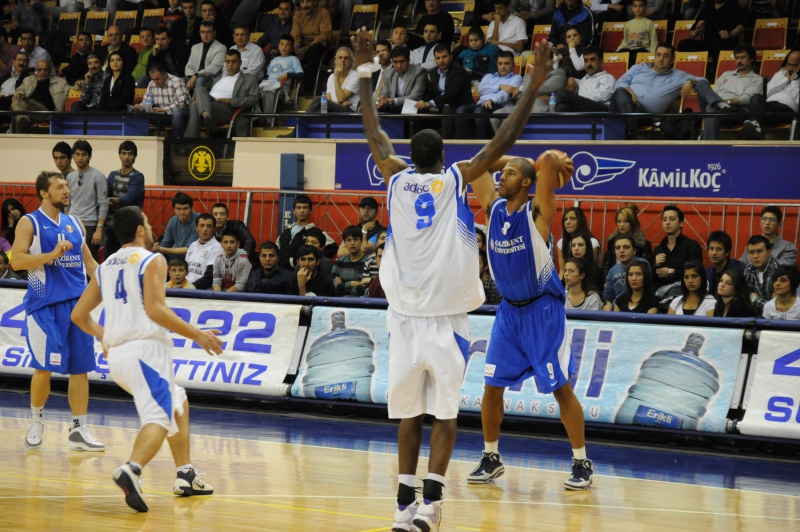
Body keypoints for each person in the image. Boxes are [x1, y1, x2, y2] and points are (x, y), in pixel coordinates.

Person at [355, 26, 558, 528]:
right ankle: (433, 506)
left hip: (403, 317)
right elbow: (505, 140)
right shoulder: (454, 180)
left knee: (408, 416)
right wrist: (532, 85)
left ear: (407, 159)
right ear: (443, 158)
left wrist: (364, 70)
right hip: (446, 320)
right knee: (444, 415)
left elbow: (373, 127)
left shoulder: (393, 177)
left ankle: (403, 509)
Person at [70, 206, 220, 513]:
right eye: (149, 224)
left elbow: (79, 315)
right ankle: (132, 469)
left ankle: (185, 474)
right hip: (145, 351)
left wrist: (104, 336)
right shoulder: (153, 259)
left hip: (119, 357)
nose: (152, 229)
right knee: (158, 416)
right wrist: (197, 334)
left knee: (178, 401)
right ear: (140, 229)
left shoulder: (107, 265)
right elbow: (155, 310)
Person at [470, 141, 594, 497]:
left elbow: (551, 163)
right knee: (491, 387)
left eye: (509, 174)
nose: (500, 175)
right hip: (509, 312)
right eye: (502, 173)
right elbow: (476, 162)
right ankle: (491, 456)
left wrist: (545, 164)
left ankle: (581, 461)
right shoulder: (493, 211)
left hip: (542, 310)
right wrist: (518, 161)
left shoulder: (537, 213)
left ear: (526, 183)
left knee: (560, 388)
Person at [10, 171, 104, 452]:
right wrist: (52, 255)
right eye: (59, 187)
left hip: (78, 307)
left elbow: (88, 263)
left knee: (81, 369)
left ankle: (78, 428)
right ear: (43, 193)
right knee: (44, 369)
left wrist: (112, 284)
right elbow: (16, 261)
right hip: (45, 307)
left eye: (66, 186)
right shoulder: (30, 222)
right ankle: (36, 420)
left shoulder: (76, 223)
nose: (66, 190)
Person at [609, 43, 703, 134]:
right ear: (654, 57)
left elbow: (703, 80)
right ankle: (632, 126)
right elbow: (620, 82)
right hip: (626, 106)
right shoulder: (638, 68)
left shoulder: (678, 76)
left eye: (665, 56)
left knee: (615, 105)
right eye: (658, 55)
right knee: (620, 91)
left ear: (672, 60)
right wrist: (630, 92)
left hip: (646, 115)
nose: (661, 59)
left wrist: (690, 81)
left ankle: (629, 127)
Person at [185, 49, 260, 138]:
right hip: (210, 103)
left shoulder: (249, 78)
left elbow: (254, 99)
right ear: (225, 63)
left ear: (240, 62)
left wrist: (231, 101)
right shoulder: (218, 78)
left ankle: (188, 144)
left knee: (194, 105)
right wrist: (201, 97)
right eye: (228, 62)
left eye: (234, 61)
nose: (230, 65)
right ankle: (206, 115)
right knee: (199, 89)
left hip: (226, 108)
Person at [693, 44, 761, 141]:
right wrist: (720, 103)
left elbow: (746, 99)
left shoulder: (757, 79)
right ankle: (721, 105)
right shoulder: (726, 74)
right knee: (700, 83)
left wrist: (726, 102)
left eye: (743, 57)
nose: (739, 61)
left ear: (751, 59)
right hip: (718, 107)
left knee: (712, 109)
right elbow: (714, 92)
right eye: (737, 58)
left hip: (735, 111)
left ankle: (708, 148)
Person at [456, 51, 523, 139]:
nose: (503, 66)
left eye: (506, 63)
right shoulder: (489, 76)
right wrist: (500, 86)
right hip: (482, 104)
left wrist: (492, 100)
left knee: (480, 111)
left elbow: (505, 94)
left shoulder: (517, 78)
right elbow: (481, 89)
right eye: (500, 63)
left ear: (513, 65)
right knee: (461, 110)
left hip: (500, 106)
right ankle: (462, 146)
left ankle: (483, 145)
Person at [416, 45, 474, 140]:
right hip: (441, 104)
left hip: (458, 105)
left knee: (447, 110)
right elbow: (433, 92)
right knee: (419, 110)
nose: (441, 61)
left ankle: (445, 144)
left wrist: (429, 103)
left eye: (444, 57)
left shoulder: (459, 71)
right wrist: (424, 102)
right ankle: (420, 142)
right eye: (438, 58)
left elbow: (450, 95)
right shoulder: (433, 72)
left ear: (450, 57)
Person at [65, 140, 108, 262]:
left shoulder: (98, 176)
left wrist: (99, 229)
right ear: (72, 156)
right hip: (72, 224)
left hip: (90, 225)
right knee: (71, 260)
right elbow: (68, 201)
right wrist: (65, 223)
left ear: (89, 156)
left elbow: (103, 204)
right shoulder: (70, 176)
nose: (80, 158)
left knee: (90, 262)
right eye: (77, 154)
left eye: (84, 154)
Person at [105, 141, 145, 258]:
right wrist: (117, 201)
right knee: (110, 260)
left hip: (129, 227)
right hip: (111, 225)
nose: (126, 157)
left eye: (130, 154)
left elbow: (127, 199)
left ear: (135, 157)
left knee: (128, 261)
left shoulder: (138, 176)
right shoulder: (113, 175)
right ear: (119, 155)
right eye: (124, 153)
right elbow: (104, 197)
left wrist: (113, 201)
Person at [651, 205, 703, 293]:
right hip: (660, 292)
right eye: (664, 220)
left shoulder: (692, 246)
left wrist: (672, 272)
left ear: (681, 223)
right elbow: (650, 278)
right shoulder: (658, 250)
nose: (667, 223)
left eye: (672, 219)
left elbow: (697, 273)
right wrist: (655, 265)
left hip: (684, 289)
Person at [278, 195, 336, 269]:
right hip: (280, 272)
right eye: (299, 208)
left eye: (305, 207)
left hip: (301, 271)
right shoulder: (286, 232)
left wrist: (312, 257)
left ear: (311, 211)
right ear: (294, 211)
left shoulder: (315, 231)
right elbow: (276, 250)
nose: (302, 211)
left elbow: (333, 248)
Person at [676, 0, 744, 63]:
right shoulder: (706, 10)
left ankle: (716, 74)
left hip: (726, 44)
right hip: (708, 44)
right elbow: (691, 35)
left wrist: (730, 34)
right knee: (683, 44)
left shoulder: (734, 7)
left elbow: (741, 26)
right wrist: (696, 31)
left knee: (715, 44)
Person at [11, 59, 69, 133]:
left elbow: (72, 90)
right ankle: (23, 120)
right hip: (30, 111)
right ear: (36, 71)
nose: (42, 72)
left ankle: (15, 136)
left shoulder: (61, 82)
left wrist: (80, 83)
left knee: (18, 111)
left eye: (45, 70)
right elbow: (20, 90)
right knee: (17, 102)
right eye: (40, 69)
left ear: (50, 70)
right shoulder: (28, 80)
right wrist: (19, 94)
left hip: (46, 112)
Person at [260, 34, 303, 125]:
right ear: (278, 45)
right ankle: (257, 117)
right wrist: (264, 79)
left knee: (269, 91)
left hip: (281, 87)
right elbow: (268, 75)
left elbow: (301, 75)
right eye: (282, 44)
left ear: (291, 48)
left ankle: (268, 120)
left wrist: (287, 74)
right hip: (269, 84)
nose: (284, 47)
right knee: (253, 91)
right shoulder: (274, 60)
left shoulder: (293, 59)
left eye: (287, 45)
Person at [291, 0, 333, 95]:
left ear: (314, 2)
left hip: (320, 46)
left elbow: (324, 35)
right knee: (288, 51)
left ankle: (309, 90)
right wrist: (297, 47)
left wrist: (308, 47)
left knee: (312, 51)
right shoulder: (298, 15)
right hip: (303, 45)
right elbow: (295, 36)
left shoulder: (323, 12)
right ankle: (288, 89)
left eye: (308, 1)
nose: (305, 5)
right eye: (302, 2)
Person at [601, 204, 652, 277]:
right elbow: (606, 266)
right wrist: (607, 282)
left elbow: (645, 270)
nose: (621, 225)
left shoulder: (643, 245)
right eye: (619, 221)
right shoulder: (612, 242)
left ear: (632, 222)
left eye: (626, 221)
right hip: (614, 280)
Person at [377, 46, 430, 114]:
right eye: (395, 62)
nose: (399, 65)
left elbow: (415, 97)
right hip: (393, 108)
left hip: (412, 108)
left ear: (408, 60)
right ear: (392, 61)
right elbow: (384, 93)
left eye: (402, 62)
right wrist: (383, 100)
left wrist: (391, 100)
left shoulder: (419, 72)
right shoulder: (388, 73)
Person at [146, 61, 191, 140]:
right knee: (141, 116)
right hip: (161, 115)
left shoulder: (176, 82)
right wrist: (140, 107)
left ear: (165, 74)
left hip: (182, 114)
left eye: (158, 79)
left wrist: (163, 110)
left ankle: (176, 143)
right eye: (153, 79)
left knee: (177, 114)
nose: (155, 82)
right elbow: (146, 102)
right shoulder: (151, 84)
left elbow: (180, 105)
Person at [603, 234, 651, 308]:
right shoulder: (612, 271)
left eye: (626, 247)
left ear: (634, 251)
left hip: (639, 306)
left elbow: (648, 290)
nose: (621, 251)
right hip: (617, 309)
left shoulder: (643, 264)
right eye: (618, 248)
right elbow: (608, 297)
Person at [306, 47, 359, 113]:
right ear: (336, 60)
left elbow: (341, 99)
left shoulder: (356, 76)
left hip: (349, 111)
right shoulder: (331, 77)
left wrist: (336, 78)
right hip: (335, 108)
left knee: (318, 99)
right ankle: (306, 121)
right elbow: (328, 100)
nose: (343, 60)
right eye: (340, 58)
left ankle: (302, 120)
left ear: (351, 61)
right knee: (319, 111)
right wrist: (338, 104)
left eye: (346, 58)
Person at [153, 192, 199, 259]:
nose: (182, 212)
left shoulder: (198, 220)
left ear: (191, 208)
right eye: (179, 209)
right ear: (173, 209)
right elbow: (166, 243)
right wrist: (156, 249)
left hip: (195, 256)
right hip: (179, 256)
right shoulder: (173, 221)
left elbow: (190, 249)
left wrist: (161, 249)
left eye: (185, 208)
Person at [184, 21, 227, 92]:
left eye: (208, 32)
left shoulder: (221, 48)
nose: (205, 35)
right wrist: (191, 77)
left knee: (200, 80)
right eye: (202, 32)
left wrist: (196, 75)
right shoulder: (195, 47)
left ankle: (198, 101)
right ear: (199, 33)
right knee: (180, 80)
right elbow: (189, 66)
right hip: (195, 77)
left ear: (214, 33)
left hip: (212, 79)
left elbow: (213, 68)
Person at [183, 213, 223, 290]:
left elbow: (209, 277)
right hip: (186, 285)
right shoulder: (192, 245)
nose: (205, 229)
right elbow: (185, 270)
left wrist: (190, 287)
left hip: (201, 289)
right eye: (202, 225)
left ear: (214, 229)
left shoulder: (217, 247)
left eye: (209, 226)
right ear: (196, 228)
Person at [557, 206, 599, 275]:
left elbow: (592, 269)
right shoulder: (561, 243)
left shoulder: (593, 242)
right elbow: (562, 271)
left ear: (580, 221)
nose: (568, 222)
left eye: (572, 219)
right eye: (565, 219)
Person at [744, 235, 779, 314]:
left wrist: (755, 299)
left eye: (759, 251)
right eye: (751, 252)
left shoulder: (779, 271)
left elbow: (776, 308)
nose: (755, 256)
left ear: (769, 252)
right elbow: (744, 294)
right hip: (754, 315)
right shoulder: (749, 269)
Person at [332, 225, 368, 297]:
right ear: (345, 243)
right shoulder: (340, 261)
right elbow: (332, 286)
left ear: (361, 241)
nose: (352, 243)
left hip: (361, 301)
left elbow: (366, 287)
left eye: (356, 239)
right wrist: (352, 284)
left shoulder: (369, 262)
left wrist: (342, 287)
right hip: (339, 300)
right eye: (349, 240)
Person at [706, 230, 744, 296]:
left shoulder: (737, 269)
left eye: (718, 249)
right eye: (711, 249)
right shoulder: (708, 272)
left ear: (727, 252)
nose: (714, 253)